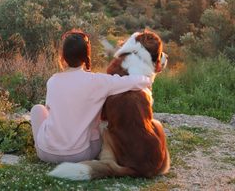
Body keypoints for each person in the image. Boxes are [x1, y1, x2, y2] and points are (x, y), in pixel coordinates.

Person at [30, 30, 151, 163]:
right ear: (86, 56)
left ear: (63, 57)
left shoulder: (53, 81)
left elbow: (51, 111)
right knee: (98, 125)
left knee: (37, 109)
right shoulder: (98, 81)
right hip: (80, 155)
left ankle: (46, 143)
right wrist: (147, 76)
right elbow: (137, 81)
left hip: (46, 154)